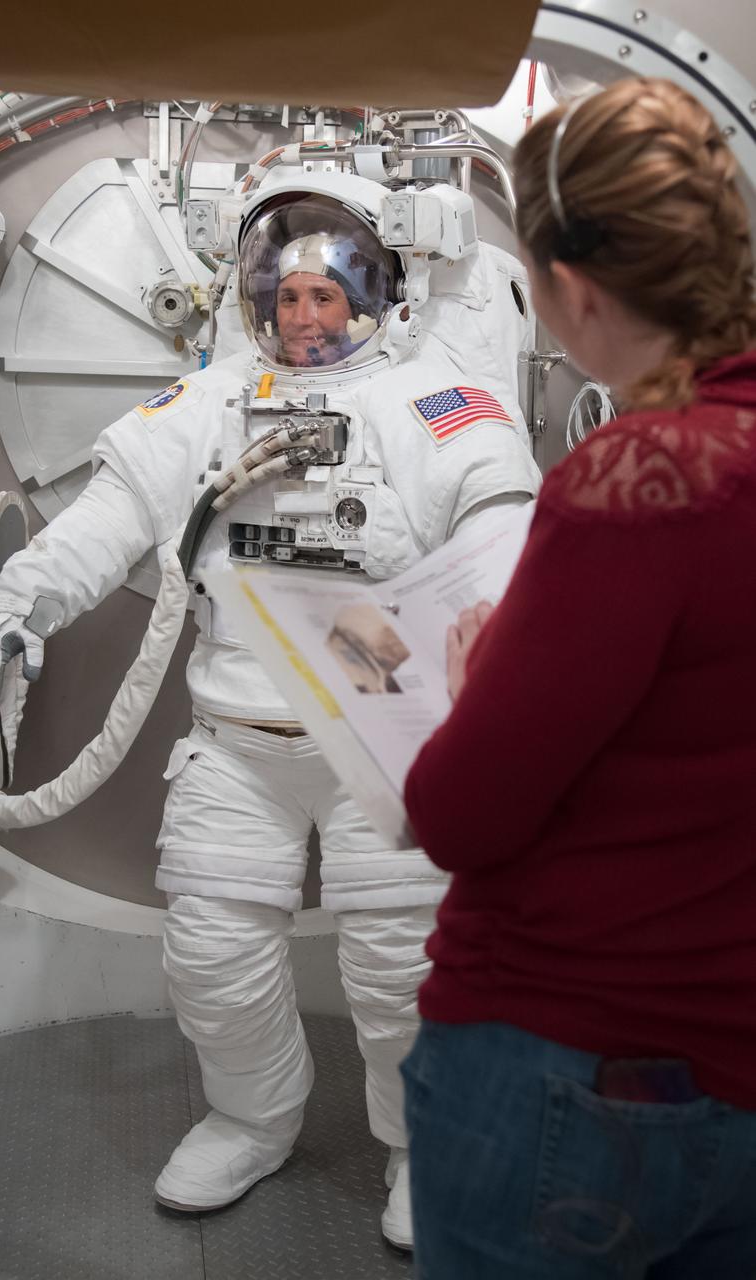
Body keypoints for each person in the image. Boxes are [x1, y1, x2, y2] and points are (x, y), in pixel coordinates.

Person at [0, 174, 541, 1248]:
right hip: (237, 738)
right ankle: (250, 1118)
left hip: (382, 725)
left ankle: (423, 1147)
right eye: (285, 298)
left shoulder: (434, 398)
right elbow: (103, 519)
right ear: (254, 301)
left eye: (324, 297)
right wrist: (18, 608)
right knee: (211, 956)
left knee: (400, 967)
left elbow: (501, 524)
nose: (304, 318)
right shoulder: (211, 402)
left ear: (371, 295)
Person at [401, 76, 756, 1278]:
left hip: (576, 1062)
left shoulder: (637, 476)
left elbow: (459, 813)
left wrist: (482, 675)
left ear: (574, 289)